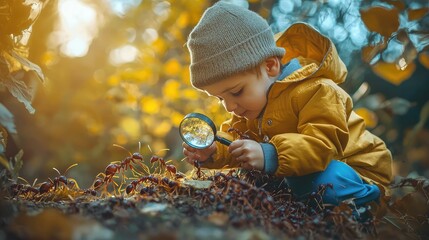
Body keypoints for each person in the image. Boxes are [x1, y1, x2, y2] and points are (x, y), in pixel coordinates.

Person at [182, 1, 393, 213]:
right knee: (255, 181)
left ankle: (365, 207)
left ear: (270, 66)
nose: (229, 106)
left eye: (236, 92)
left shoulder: (319, 91)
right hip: (301, 173)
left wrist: (270, 154)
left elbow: (323, 145)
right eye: (220, 98)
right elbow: (234, 141)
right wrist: (212, 151)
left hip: (354, 171)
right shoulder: (247, 109)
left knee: (320, 183)